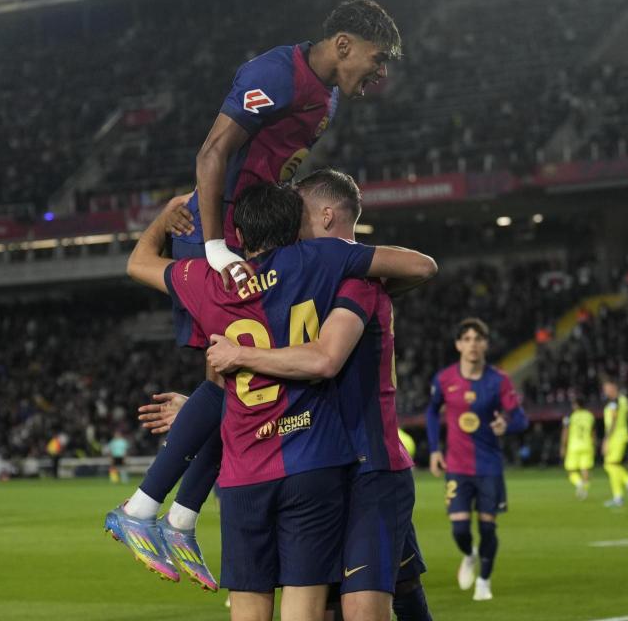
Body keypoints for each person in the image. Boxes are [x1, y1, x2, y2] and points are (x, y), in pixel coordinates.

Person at [111, 0, 403, 592]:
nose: (381, 74)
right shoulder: (274, 74)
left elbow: (271, 168)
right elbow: (213, 153)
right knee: (232, 381)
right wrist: (215, 244)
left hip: (253, 230)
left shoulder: (328, 97)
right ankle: (141, 510)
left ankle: (181, 518)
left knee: (244, 388)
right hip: (222, 231)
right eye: (376, 59)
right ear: (344, 43)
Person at [109, 182, 433, 621]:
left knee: (377, 600)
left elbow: (322, 360)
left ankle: (161, 510)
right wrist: (206, 410)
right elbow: (420, 266)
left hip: (349, 465)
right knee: (332, 607)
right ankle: (169, 515)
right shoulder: (323, 265)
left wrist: (167, 218)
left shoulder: (219, 280)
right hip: (317, 461)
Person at [204, 169, 434, 621]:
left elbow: (323, 360)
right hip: (324, 465)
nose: (290, 223)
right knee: (390, 590)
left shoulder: (355, 277)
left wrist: (239, 357)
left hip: (369, 466)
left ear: (327, 216)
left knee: (363, 611)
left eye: (300, 212)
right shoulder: (312, 282)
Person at [426, 318, 528, 602]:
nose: (473, 343)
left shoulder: (499, 380)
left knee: (487, 527)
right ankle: (469, 555)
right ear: (459, 344)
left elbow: (521, 418)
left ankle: (484, 580)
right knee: (459, 528)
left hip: (489, 467)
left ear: (486, 344)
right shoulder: (444, 379)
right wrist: (435, 450)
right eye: (467, 338)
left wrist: (506, 423)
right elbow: (432, 412)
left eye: (478, 338)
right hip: (457, 466)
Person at [600, 378, 628, 508]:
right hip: (621, 435)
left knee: (611, 464)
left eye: (606, 388)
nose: (605, 391)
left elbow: (613, 421)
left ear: (613, 386)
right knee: (611, 465)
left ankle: (626, 489)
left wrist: (606, 440)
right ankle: (625, 490)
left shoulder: (614, 402)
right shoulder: (624, 400)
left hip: (615, 437)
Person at [560, 394, 595, 500]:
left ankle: (579, 484)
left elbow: (565, 432)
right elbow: (593, 433)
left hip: (573, 446)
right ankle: (584, 490)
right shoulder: (590, 416)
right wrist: (593, 445)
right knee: (585, 469)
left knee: (571, 471)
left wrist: (563, 446)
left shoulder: (569, 416)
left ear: (576, 405)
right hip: (587, 445)